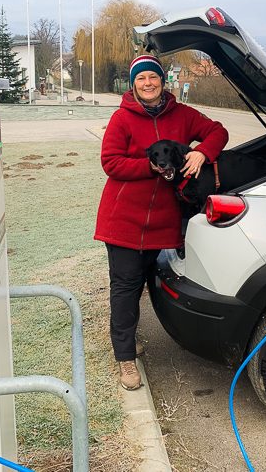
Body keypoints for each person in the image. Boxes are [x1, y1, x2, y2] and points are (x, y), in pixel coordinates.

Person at [94, 55, 228, 390]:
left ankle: (129, 338)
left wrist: (203, 153)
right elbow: (110, 163)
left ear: (162, 80)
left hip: (164, 221)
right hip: (124, 219)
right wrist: (149, 167)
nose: (148, 84)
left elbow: (218, 131)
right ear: (133, 84)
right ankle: (126, 358)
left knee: (145, 284)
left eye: (153, 77)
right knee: (124, 287)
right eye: (141, 79)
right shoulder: (122, 118)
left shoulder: (183, 115)